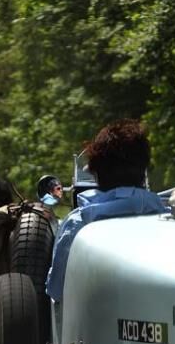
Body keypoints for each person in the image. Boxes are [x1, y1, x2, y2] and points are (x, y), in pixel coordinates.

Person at [45, 120, 166, 302]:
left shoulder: (79, 222)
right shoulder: (166, 217)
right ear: (143, 169)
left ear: (97, 172)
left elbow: (56, 289)